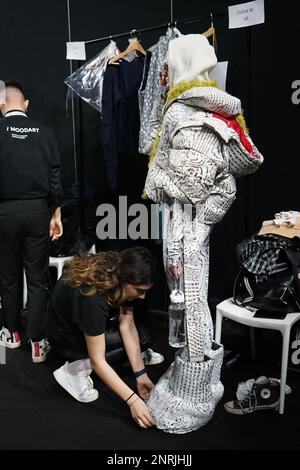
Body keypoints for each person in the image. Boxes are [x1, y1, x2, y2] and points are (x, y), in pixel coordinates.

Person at [143, 34, 264, 433]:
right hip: (189, 227)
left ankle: (192, 395)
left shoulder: (188, 112)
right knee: (189, 303)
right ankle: (192, 383)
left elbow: (201, 184)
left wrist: (163, 183)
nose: (162, 73)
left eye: (168, 64)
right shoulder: (213, 111)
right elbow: (222, 183)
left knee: (190, 304)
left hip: (186, 230)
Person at [46, 247, 156, 429]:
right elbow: (98, 361)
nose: (142, 297)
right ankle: (72, 371)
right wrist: (132, 400)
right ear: (124, 280)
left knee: (143, 338)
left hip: (80, 324)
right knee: (107, 354)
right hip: (65, 339)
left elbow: (127, 324)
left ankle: (113, 358)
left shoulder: (119, 267)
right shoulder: (92, 297)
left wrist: (141, 375)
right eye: (139, 290)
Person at [0, 80, 63, 362]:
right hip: (38, 211)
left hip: (4, 213)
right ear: (25, 104)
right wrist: (56, 213)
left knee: (8, 278)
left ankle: (11, 334)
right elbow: (55, 178)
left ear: (1, 104)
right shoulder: (45, 132)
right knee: (37, 280)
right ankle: (37, 343)